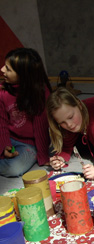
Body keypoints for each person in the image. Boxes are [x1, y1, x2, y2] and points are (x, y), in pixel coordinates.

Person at [0, 48, 51, 177]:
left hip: (28, 144)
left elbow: (41, 128)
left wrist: (43, 156)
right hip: (7, 137)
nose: (2, 70)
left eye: (8, 69)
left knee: (14, 168)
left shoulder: (40, 93)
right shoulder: (2, 91)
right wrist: (5, 144)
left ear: (23, 75)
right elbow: (1, 122)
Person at [47, 87, 94, 179]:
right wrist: (60, 159)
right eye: (62, 122)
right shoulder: (72, 120)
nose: (69, 125)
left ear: (79, 104)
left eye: (71, 117)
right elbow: (67, 146)